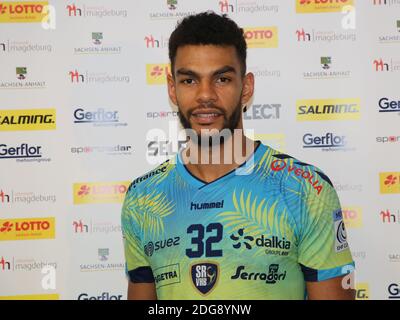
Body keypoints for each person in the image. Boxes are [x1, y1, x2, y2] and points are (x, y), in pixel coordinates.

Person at [121, 11, 355, 300]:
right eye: (189, 81)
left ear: (246, 88)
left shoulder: (305, 189)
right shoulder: (143, 198)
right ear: (172, 89)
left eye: (221, 79)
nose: (205, 95)